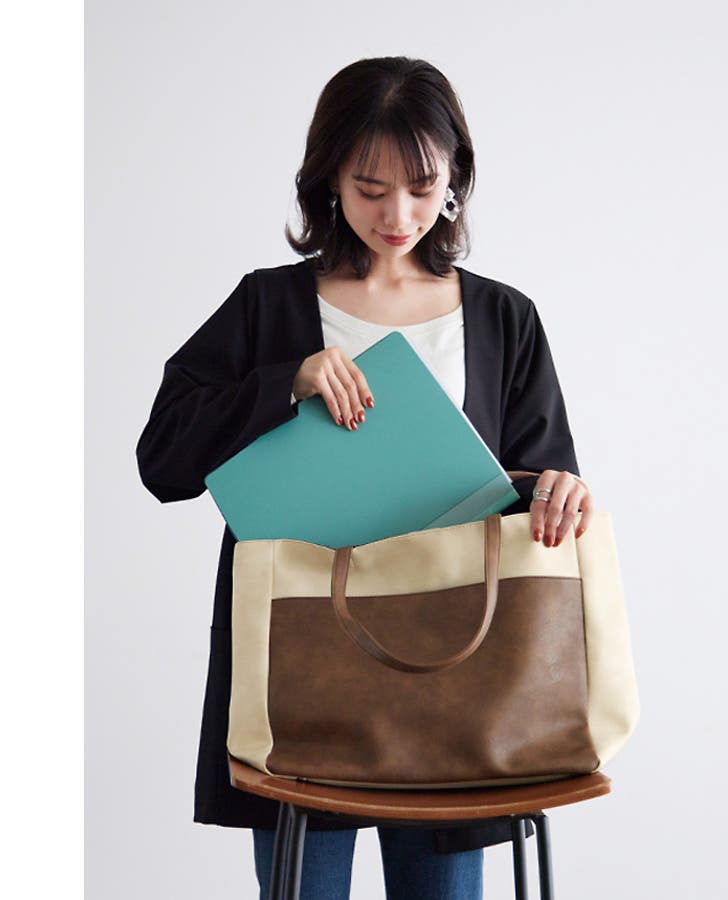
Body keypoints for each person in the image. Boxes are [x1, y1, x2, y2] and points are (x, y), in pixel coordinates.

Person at [135, 55, 594, 900]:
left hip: (456, 662)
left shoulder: (503, 318)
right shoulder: (268, 306)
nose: (398, 215)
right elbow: (162, 459)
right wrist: (286, 381)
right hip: (304, 664)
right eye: (371, 187)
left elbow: (534, 483)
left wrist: (559, 491)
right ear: (328, 180)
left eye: (422, 187)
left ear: (455, 179)